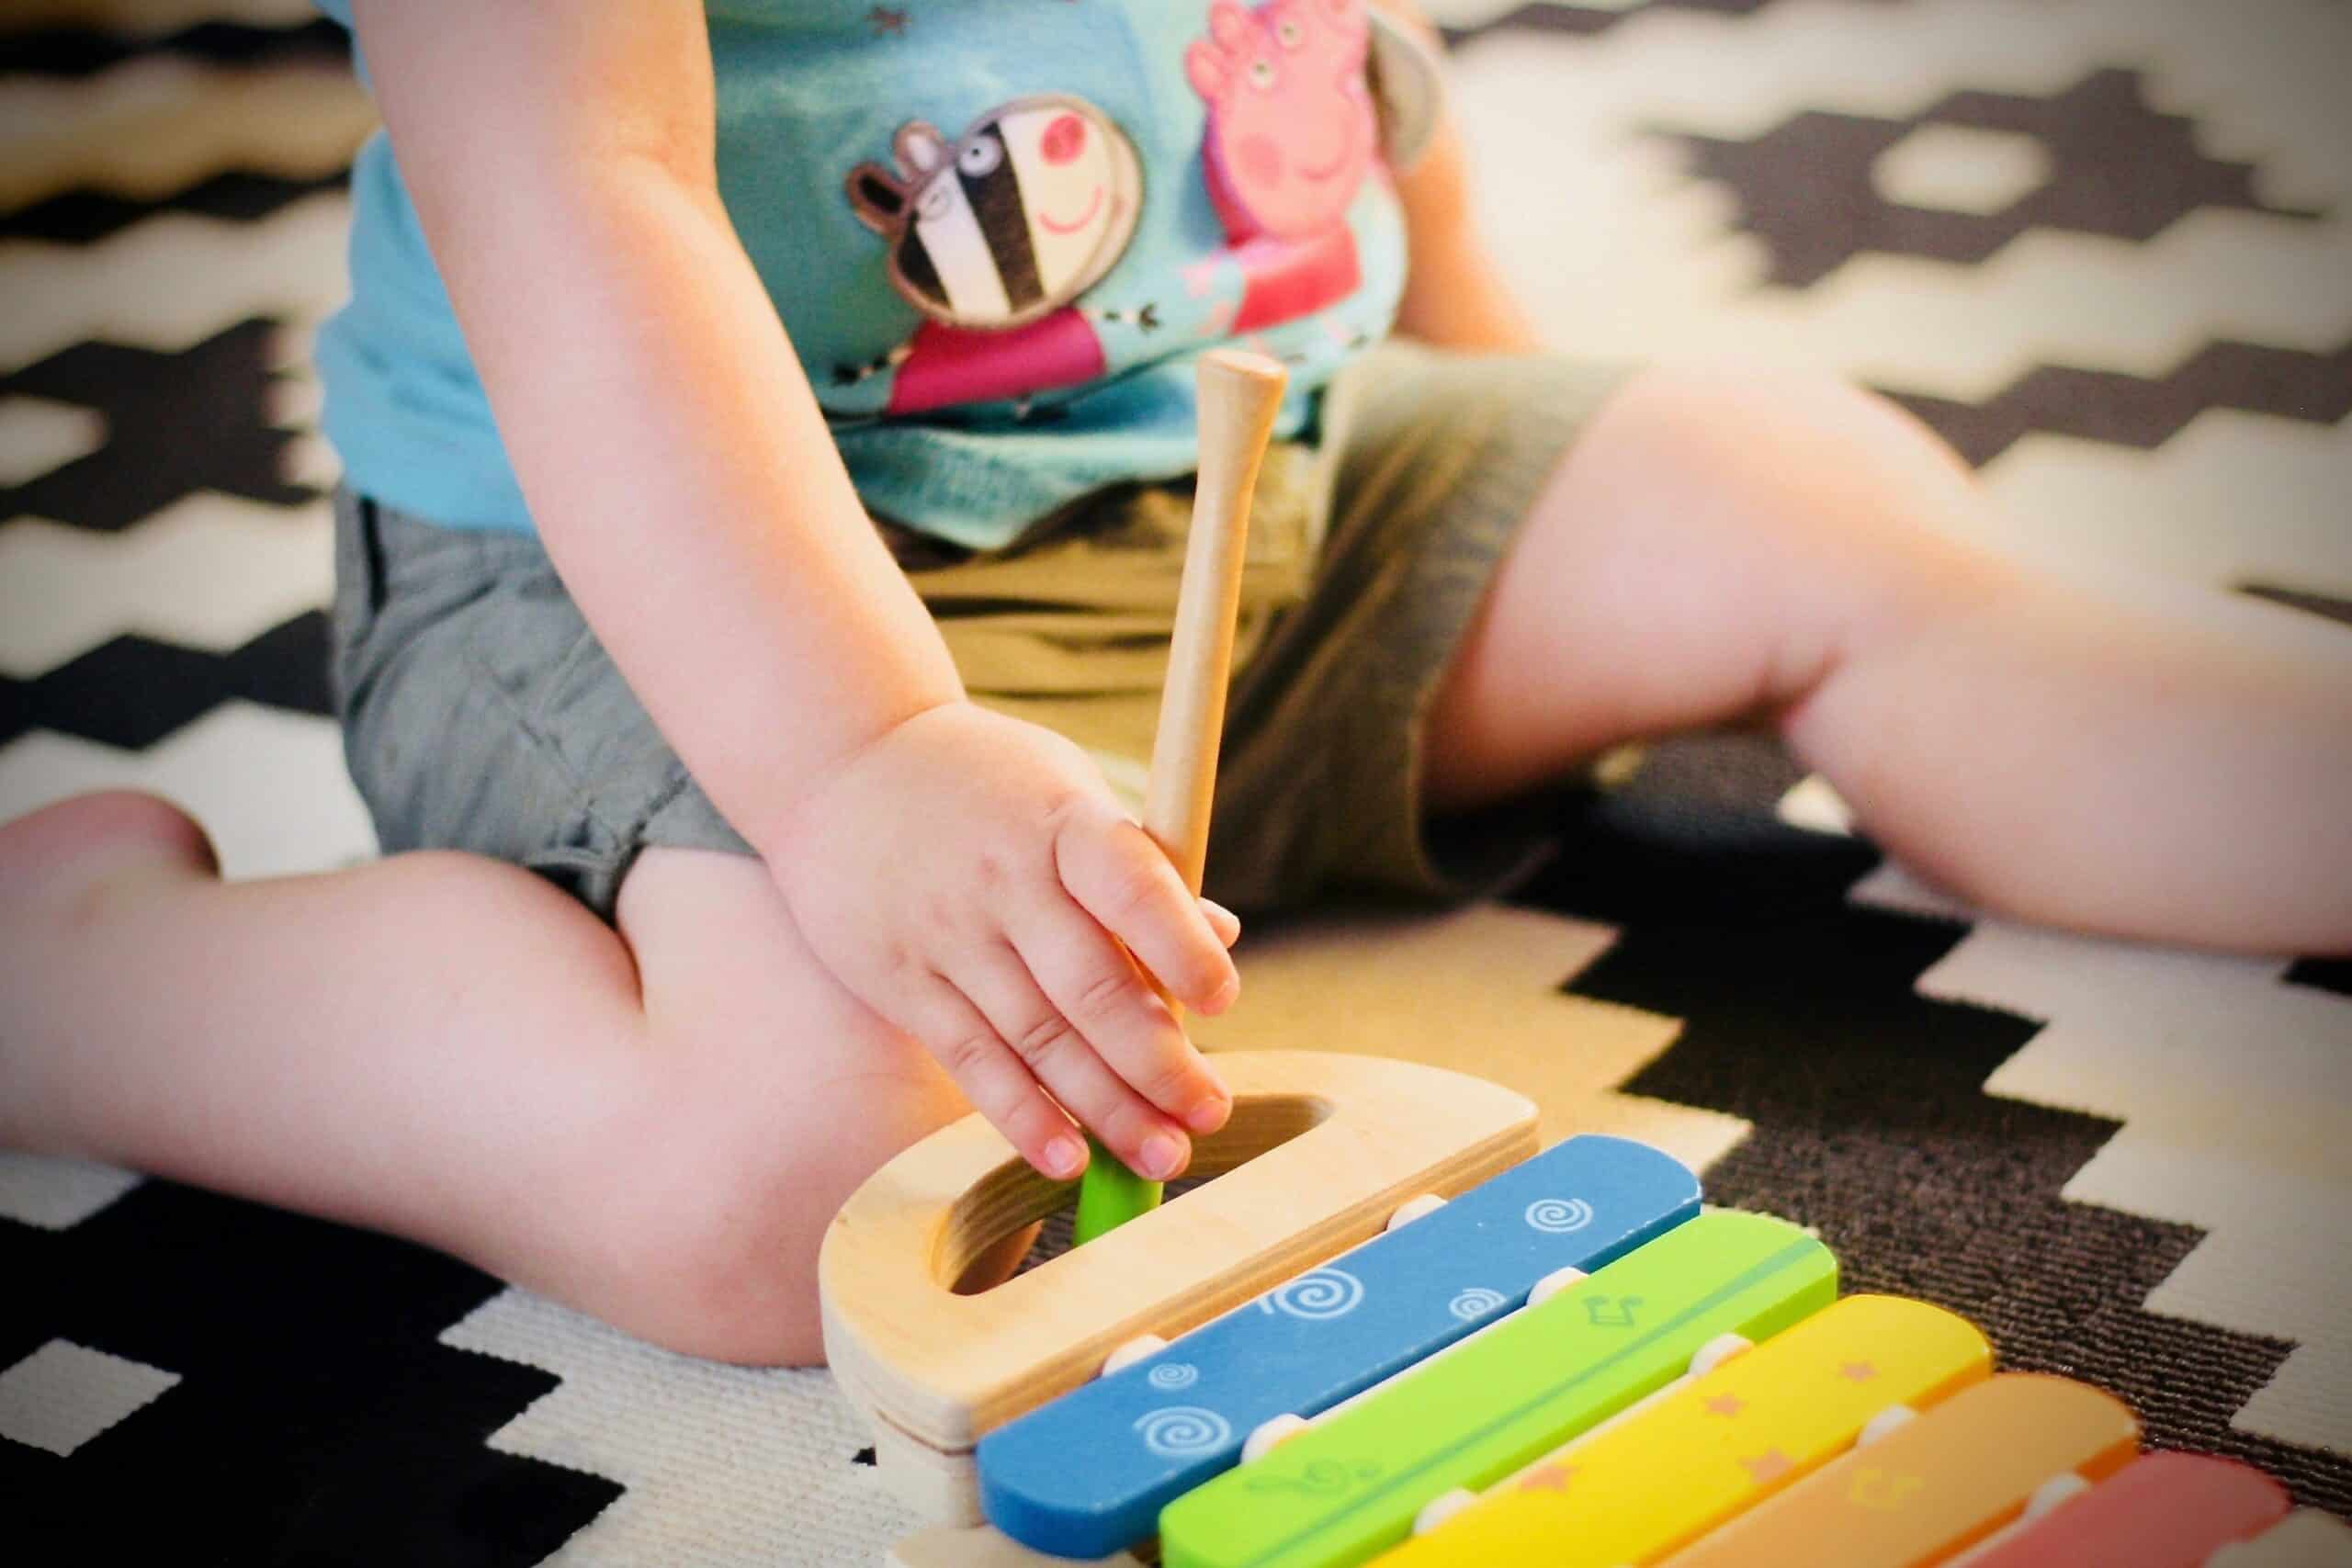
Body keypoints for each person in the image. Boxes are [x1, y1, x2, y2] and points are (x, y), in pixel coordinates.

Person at [2, 0, 2345, 1367]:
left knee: (1785, 486)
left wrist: (1515, 419)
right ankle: (99, 982)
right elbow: (583, 210)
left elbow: (1324, 69)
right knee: (794, 1185)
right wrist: (863, 762)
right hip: (677, 586)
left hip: (1251, 479)